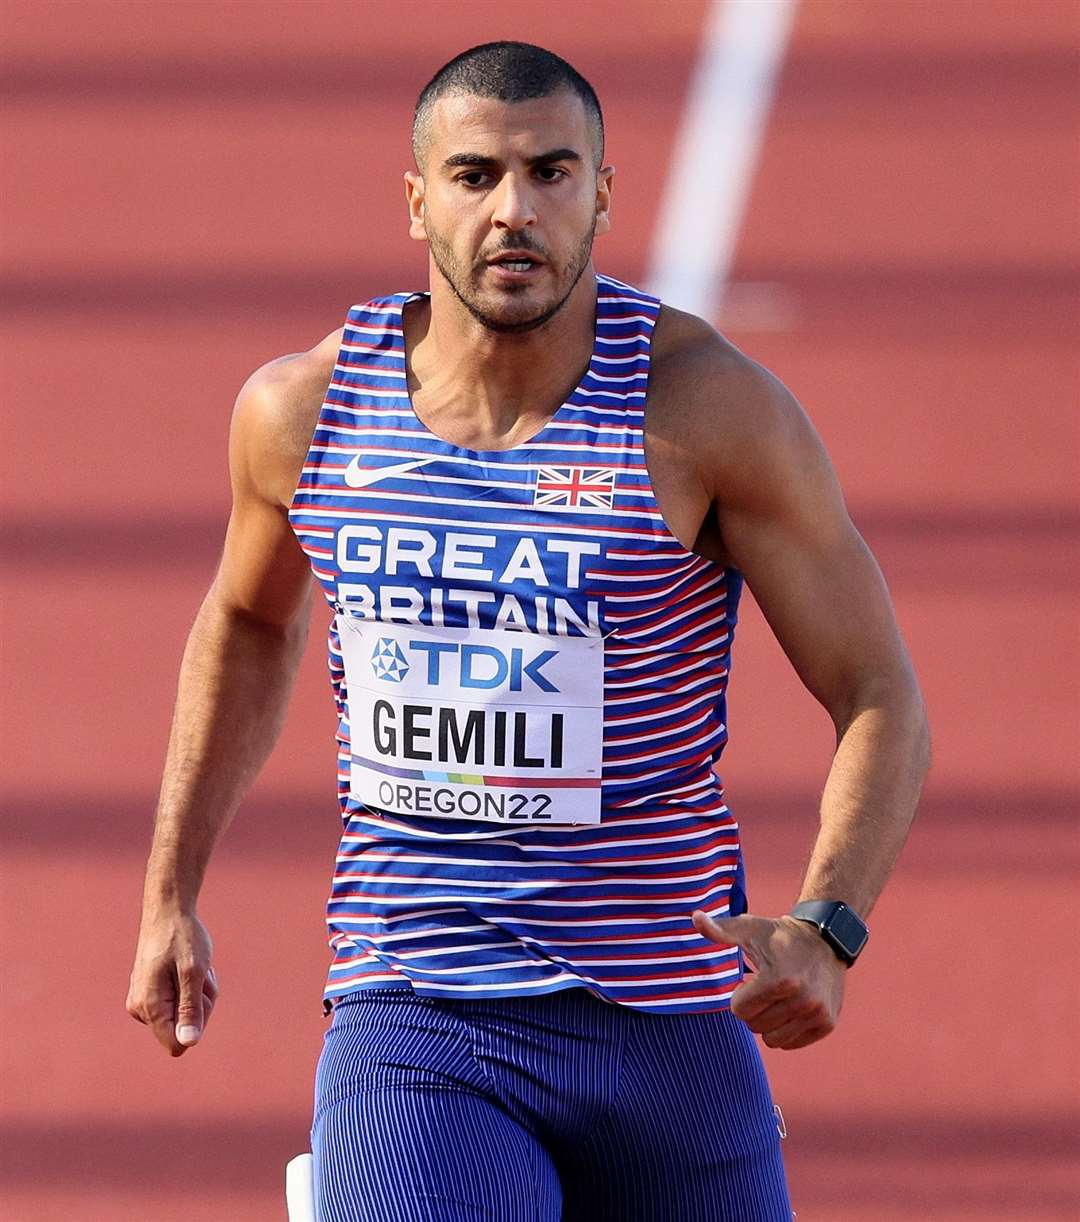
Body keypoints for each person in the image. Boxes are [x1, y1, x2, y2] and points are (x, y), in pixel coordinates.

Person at [126, 41, 929, 1222]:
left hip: (669, 1024)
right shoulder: (307, 413)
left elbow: (879, 693)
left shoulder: (706, 413)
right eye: (473, 175)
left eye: (552, 172)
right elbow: (249, 620)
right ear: (416, 201)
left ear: (603, 191)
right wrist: (169, 889)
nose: (514, 210)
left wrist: (828, 924)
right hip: (420, 1010)